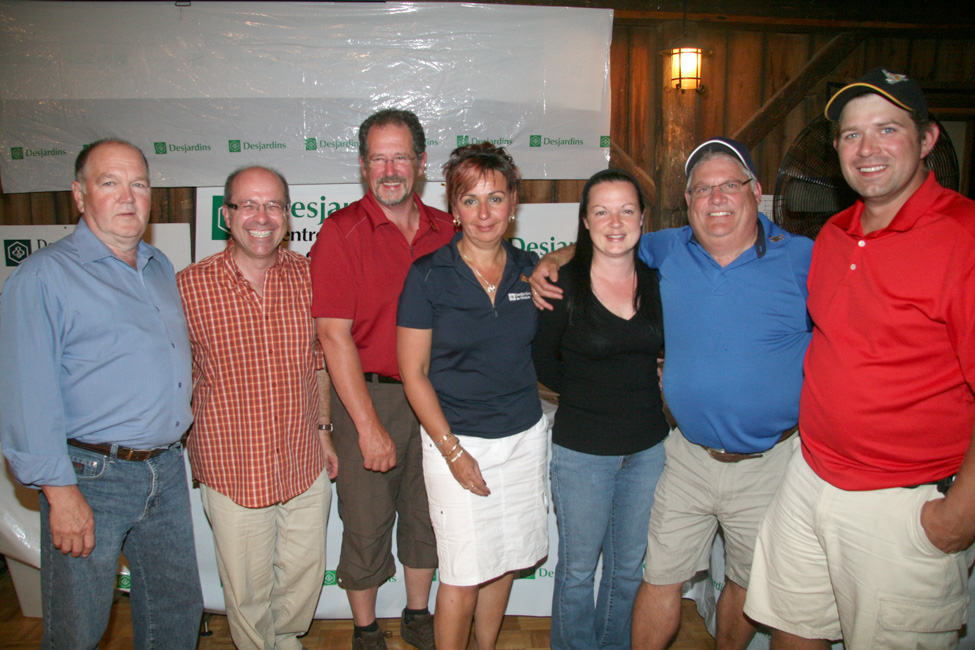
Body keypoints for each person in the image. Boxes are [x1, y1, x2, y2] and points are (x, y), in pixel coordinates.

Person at [531, 138, 813, 650]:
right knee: (637, 573)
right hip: (675, 455)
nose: (717, 198)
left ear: (756, 191)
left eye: (730, 184)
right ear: (687, 202)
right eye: (703, 188)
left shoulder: (802, 260)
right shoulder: (670, 252)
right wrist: (553, 258)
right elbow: (546, 357)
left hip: (745, 458)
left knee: (730, 580)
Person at [744, 68, 975, 650]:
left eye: (887, 129)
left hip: (901, 503)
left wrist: (958, 517)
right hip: (810, 476)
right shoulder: (834, 235)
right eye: (851, 135)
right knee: (790, 634)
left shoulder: (964, 236)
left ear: (927, 140)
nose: (866, 149)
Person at [0, 139, 203, 649]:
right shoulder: (43, 277)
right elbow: (24, 395)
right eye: (109, 182)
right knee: (79, 629)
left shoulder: (158, 267)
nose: (128, 196)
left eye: (138, 183)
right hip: (90, 478)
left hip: (166, 471)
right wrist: (59, 492)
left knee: (176, 615)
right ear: (79, 194)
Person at [177, 166, 339, 650]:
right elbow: (171, 374)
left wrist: (325, 429)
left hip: (302, 456)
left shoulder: (312, 278)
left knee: (303, 577)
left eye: (272, 205)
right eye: (248, 204)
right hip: (232, 464)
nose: (260, 217)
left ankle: (284, 639)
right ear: (227, 215)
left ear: (288, 217)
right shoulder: (188, 287)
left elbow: (319, 362)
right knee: (246, 592)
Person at [310, 109, 453, 650]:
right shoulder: (342, 231)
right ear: (364, 166)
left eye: (400, 157)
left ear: (420, 163)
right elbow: (333, 337)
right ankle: (366, 628)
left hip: (437, 397)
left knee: (427, 513)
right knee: (367, 521)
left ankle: (418, 615)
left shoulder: (448, 230)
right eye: (378, 158)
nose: (389, 169)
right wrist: (366, 427)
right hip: (366, 396)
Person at [397, 141, 546, 650]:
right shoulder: (427, 275)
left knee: (504, 560)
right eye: (470, 200)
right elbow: (413, 373)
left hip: (525, 438)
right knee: (462, 572)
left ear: (514, 202)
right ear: (452, 208)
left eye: (496, 198)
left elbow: (590, 258)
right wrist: (454, 452)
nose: (485, 213)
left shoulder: (533, 269)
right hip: (456, 440)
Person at [530, 169, 668, 650]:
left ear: (643, 220)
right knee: (577, 572)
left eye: (627, 210)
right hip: (583, 453)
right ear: (585, 221)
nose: (615, 222)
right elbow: (543, 360)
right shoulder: (561, 285)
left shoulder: (657, 281)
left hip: (649, 451)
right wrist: (589, 394)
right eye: (602, 211)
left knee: (628, 570)